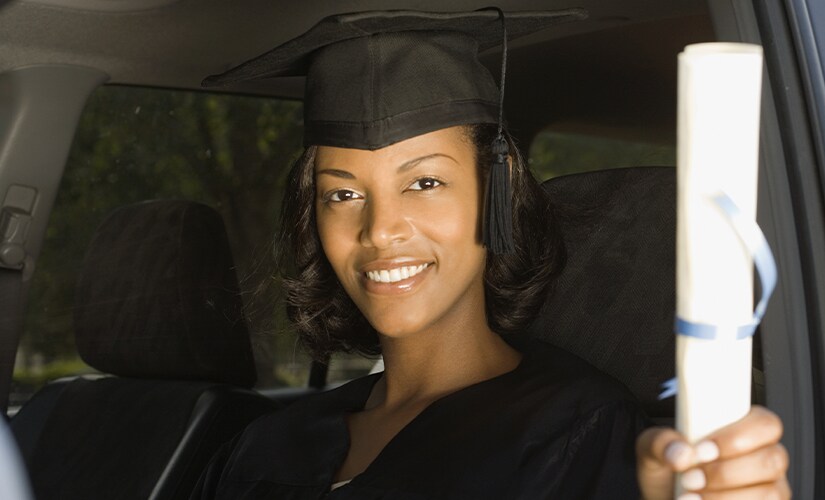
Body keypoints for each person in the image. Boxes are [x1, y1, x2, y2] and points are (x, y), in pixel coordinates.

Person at [195, 8, 789, 499]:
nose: (379, 230)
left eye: (424, 183)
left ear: (496, 189)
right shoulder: (267, 442)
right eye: (343, 193)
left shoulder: (573, 433)